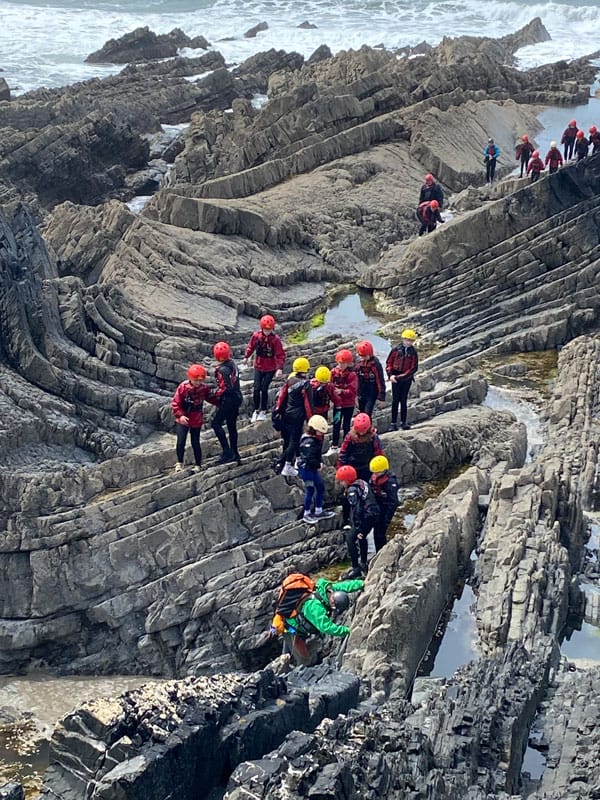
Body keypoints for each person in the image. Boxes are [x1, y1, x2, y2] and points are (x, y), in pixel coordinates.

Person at [270, 574, 365, 665]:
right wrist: (347, 631)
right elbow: (326, 627)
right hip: (292, 630)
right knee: (304, 660)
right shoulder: (315, 607)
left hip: (295, 624)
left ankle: (286, 654)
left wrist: (361, 583)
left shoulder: (327, 590)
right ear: (333, 604)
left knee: (293, 648)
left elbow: (345, 585)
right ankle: (286, 670)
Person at [336, 465, 381, 578]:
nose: (341, 483)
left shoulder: (352, 491)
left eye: (341, 481)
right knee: (362, 537)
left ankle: (356, 568)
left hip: (366, 517)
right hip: (374, 512)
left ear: (346, 480)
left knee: (351, 539)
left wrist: (359, 527)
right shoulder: (361, 482)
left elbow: (357, 510)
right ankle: (364, 562)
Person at [274, 356, 314, 477]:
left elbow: (282, 397)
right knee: (294, 441)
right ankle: (287, 465)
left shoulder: (290, 381)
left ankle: (285, 462)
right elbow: (308, 404)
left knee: (287, 440)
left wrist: (278, 411)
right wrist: (310, 420)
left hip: (287, 414)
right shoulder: (306, 384)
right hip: (298, 416)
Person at [171, 364, 214, 472]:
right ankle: (179, 463)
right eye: (196, 380)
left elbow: (212, 398)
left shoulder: (204, 389)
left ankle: (198, 464)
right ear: (190, 378)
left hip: (196, 418)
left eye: (200, 380)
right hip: (183, 417)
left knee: (195, 442)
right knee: (181, 441)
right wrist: (180, 415)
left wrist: (222, 402)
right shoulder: (183, 387)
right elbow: (176, 403)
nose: (198, 383)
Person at [244, 314, 286, 423]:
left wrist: (279, 368)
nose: (267, 331)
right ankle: (256, 410)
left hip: (270, 368)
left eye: (269, 329)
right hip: (258, 365)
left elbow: (280, 354)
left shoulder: (275, 340)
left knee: (264, 388)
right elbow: (250, 346)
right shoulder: (256, 336)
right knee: (256, 388)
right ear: (262, 328)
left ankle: (263, 410)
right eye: (265, 329)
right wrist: (246, 357)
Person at [297, 415, 336, 523]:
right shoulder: (308, 442)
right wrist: (318, 464)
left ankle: (319, 510)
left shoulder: (314, 439)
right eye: (320, 432)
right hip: (306, 469)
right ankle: (307, 513)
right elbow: (308, 458)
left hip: (312, 469)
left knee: (320, 487)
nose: (322, 434)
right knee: (310, 489)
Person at [211, 341, 243, 465]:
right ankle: (235, 453)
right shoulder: (232, 364)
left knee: (216, 423)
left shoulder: (222, 369)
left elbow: (224, 387)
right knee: (231, 425)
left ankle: (227, 452)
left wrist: (214, 394)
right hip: (237, 396)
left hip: (229, 399)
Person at [326, 349, 358, 456]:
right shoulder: (333, 372)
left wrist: (342, 391)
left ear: (348, 363)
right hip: (338, 404)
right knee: (336, 424)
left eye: (343, 363)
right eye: (339, 363)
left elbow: (353, 391)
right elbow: (329, 384)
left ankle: (346, 444)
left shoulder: (352, 375)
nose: (340, 365)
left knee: (346, 425)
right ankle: (334, 445)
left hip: (349, 405)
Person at [385, 329, 419, 430]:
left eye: (411, 340)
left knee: (403, 400)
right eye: (407, 340)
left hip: (406, 379)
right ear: (403, 339)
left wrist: (400, 377)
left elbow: (413, 368)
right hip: (395, 377)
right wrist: (390, 375)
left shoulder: (413, 352)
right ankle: (393, 423)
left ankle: (403, 422)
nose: (408, 342)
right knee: (395, 400)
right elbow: (389, 363)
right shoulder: (396, 349)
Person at [337, 413, 384, 482]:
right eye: (359, 431)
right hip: (353, 468)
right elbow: (343, 453)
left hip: (368, 468)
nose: (361, 433)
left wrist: (379, 469)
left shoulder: (373, 437)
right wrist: (340, 468)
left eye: (363, 431)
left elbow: (378, 452)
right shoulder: (350, 437)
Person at [369, 455, 399, 552]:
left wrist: (386, 519)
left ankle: (381, 552)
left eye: (377, 472)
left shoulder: (390, 482)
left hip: (385, 508)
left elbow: (393, 502)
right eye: (374, 473)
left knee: (380, 533)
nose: (375, 474)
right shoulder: (374, 478)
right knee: (376, 532)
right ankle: (379, 551)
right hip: (377, 507)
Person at [354, 340, 386, 417]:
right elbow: (355, 379)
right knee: (361, 412)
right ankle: (363, 428)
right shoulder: (358, 363)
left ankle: (367, 427)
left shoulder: (375, 364)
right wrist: (355, 395)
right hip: (361, 391)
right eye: (361, 356)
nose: (363, 358)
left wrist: (381, 397)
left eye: (364, 356)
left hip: (371, 391)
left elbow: (380, 380)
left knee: (367, 413)